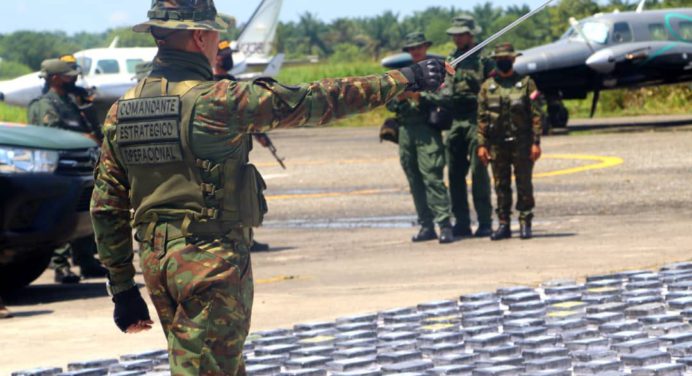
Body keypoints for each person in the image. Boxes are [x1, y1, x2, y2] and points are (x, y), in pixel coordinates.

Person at [90, 1, 445, 374]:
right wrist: (405, 79)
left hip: (157, 264)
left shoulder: (123, 110)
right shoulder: (219, 102)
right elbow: (317, 100)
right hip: (208, 262)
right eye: (215, 36)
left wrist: (123, 288)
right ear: (199, 36)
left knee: (205, 364)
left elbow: (106, 206)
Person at [28, 56, 108, 283]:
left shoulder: (71, 102)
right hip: (60, 168)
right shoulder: (45, 104)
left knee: (85, 214)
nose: (73, 79)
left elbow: (90, 128)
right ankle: (60, 266)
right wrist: (85, 137)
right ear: (55, 78)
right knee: (61, 215)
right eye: (68, 75)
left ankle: (87, 261)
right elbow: (50, 133)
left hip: (81, 166)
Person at [387, 32, 453, 244]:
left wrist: (420, 96)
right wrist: (399, 97)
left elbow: (446, 96)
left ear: (426, 47)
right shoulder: (401, 74)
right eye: (412, 48)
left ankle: (444, 225)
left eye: (419, 47)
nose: (416, 51)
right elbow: (389, 103)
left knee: (433, 177)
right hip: (406, 131)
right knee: (414, 180)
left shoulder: (437, 71)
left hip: (427, 129)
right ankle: (426, 225)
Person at [432, 15, 494, 239]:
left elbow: (493, 89)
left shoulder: (484, 59)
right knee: (455, 174)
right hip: (455, 120)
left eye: (461, 34)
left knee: (479, 173)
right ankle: (462, 222)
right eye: (454, 35)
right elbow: (443, 88)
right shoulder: (451, 59)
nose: (457, 39)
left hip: (476, 119)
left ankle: (485, 222)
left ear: (470, 34)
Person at [477, 43, 543, 240]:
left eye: (506, 58)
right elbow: (481, 118)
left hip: (522, 142)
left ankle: (525, 221)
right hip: (497, 144)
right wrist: (482, 144)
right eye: (499, 59)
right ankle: (504, 223)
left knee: (524, 184)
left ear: (513, 59)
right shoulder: (487, 87)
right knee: (500, 185)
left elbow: (536, 114)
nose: (503, 62)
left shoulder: (527, 83)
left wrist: (536, 142)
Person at [213, 40, 272, 252]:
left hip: (237, 151)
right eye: (222, 54)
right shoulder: (208, 84)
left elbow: (248, 115)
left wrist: (261, 136)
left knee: (244, 196)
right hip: (216, 151)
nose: (226, 57)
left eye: (228, 53)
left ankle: (247, 238)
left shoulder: (232, 83)